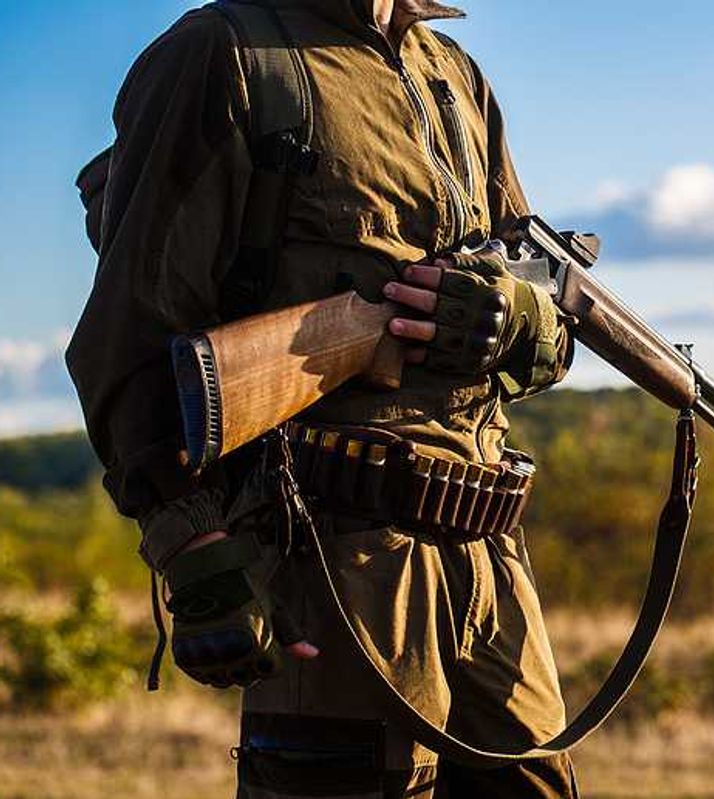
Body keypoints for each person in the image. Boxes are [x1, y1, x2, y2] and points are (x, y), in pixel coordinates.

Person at [66, 1, 579, 796]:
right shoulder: (224, 53)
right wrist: (195, 550)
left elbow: (539, 296)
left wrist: (519, 320)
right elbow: (128, 336)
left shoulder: (454, 73)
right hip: (333, 561)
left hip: (488, 553)